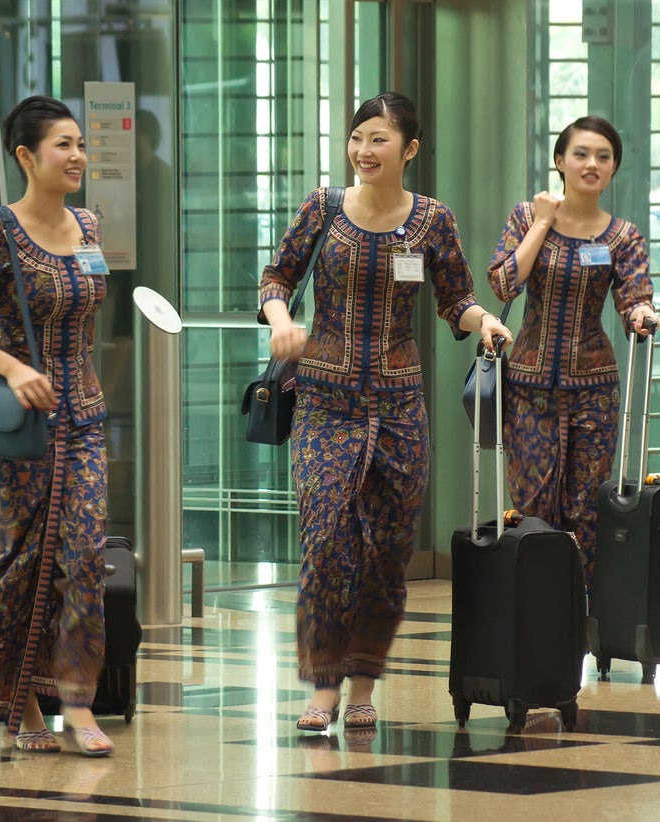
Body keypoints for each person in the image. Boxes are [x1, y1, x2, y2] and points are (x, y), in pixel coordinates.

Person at [259, 91, 513, 732]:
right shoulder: (322, 208)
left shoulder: (433, 220)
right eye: (357, 138)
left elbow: (456, 299)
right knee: (325, 545)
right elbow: (276, 279)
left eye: (379, 139)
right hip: (324, 401)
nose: (364, 151)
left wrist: (485, 323)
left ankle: (364, 681)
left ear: (410, 149)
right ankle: (322, 686)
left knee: (386, 552)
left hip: (400, 408)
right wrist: (282, 320)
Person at [0, 96, 114, 756]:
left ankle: (78, 704)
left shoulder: (88, 226)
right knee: (20, 564)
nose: (76, 157)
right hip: (16, 428)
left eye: (79, 145)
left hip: (85, 418)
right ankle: (25, 707)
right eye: (61, 145)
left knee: (85, 561)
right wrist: (11, 368)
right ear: (25, 156)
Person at [487, 115, 658, 592]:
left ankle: (580, 616)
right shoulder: (526, 217)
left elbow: (635, 296)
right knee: (533, 506)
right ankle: (534, 609)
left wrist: (642, 313)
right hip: (528, 389)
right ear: (560, 161)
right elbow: (503, 281)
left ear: (613, 169)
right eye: (581, 154)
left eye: (603, 157)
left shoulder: (623, 237)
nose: (591, 164)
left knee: (586, 508)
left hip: (595, 391)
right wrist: (543, 221)